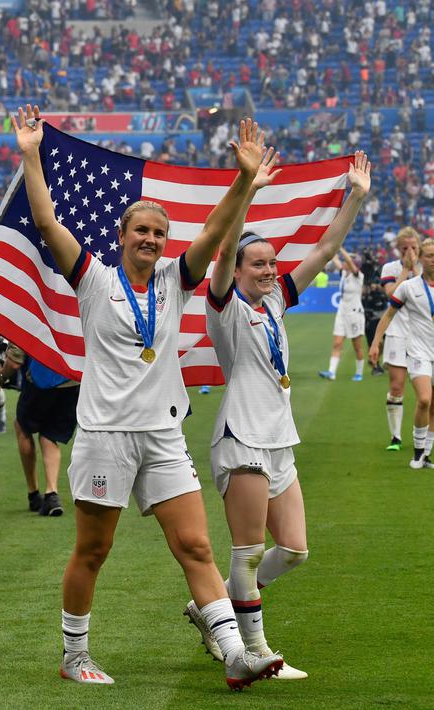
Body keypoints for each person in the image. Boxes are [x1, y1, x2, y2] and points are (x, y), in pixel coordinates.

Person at [11, 105, 283, 688]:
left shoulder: (175, 281)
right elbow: (45, 218)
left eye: (159, 233)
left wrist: (243, 180)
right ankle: (74, 656)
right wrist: (32, 154)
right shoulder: (93, 279)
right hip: (107, 434)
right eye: (142, 231)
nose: (152, 240)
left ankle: (236, 653)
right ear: (122, 236)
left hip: (162, 433)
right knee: (93, 550)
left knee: (195, 544)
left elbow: (214, 233)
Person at [199, 151, 371, 682]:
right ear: (240, 269)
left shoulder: (276, 301)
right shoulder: (224, 302)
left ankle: (216, 610)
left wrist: (356, 197)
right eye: (260, 264)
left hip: (278, 437)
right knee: (248, 552)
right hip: (241, 434)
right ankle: (253, 655)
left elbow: (325, 247)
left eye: (273, 263)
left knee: (293, 550)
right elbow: (226, 245)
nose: (270, 271)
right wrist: (248, 187)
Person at [370, 237, 434, 469]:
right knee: (424, 399)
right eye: (429, 256)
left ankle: (425, 454)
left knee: (433, 403)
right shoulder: (409, 286)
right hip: (417, 351)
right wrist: (376, 342)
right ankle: (412, 448)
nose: (433, 260)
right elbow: (388, 313)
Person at [0, 344, 78, 517]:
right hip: (72, 382)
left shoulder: (34, 314)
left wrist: (0, 376)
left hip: (40, 381)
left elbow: (15, 361)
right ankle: (51, 494)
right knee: (49, 435)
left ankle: (33, 494)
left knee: (23, 427)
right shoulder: (77, 316)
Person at [377, 227, 422, 450]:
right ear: (398, 248)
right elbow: (391, 295)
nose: (410, 252)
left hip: (424, 335)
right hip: (397, 333)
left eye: (414, 247)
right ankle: (396, 437)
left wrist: (416, 268)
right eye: (405, 248)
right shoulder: (390, 268)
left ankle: (423, 436)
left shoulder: (428, 266)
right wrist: (405, 271)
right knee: (396, 386)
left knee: (426, 390)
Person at [318, 247, 366, 381]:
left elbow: (348, 260)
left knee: (357, 347)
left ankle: (359, 373)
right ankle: (331, 372)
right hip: (342, 312)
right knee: (337, 343)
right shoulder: (344, 274)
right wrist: (333, 247)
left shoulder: (358, 276)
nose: (343, 264)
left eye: (347, 263)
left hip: (355, 313)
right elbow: (336, 259)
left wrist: (340, 248)